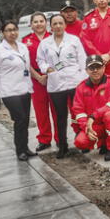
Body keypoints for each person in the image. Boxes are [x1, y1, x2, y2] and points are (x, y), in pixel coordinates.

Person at [37, 14, 87, 158]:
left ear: (65, 25)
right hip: (56, 84)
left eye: (60, 23)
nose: (58, 26)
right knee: (60, 116)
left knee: (78, 114)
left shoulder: (74, 40)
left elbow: (83, 60)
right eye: (55, 24)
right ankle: (63, 146)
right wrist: (47, 68)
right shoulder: (45, 43)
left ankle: (83, 142)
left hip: (74, 82)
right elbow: (40, 60)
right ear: (50, 27)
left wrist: (82, 80)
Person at [0, 21, 35, 161]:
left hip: (24, 88)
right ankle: (20, 151)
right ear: (3, 33)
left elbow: (27, 67)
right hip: (9, 91)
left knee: (25, 120)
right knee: (19, 118)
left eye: (14, 29)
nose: (12, 33)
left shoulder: (23, 47)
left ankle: (25, 147)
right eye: (8, 30)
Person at [72, 55, 110, 161]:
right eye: (91, 68)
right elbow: (78, 111)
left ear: (104, 68)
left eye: (98, 67)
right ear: (86, 70)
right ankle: (103, 143)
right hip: (94, 126)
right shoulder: (81, 87)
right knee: (80, 142)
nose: (95, 70)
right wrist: (87, 128)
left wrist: (94, 116)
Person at [21, 12, 57, 152]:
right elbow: (24, 62)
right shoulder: (25, 41)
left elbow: (62, 60)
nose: (38, 24)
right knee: (41, 111)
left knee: (57, 110)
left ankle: (60, 139)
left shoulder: (54, 38)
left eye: (41, 21)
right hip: (35, 79)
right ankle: (44, 139)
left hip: (54, 77)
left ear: (46, 23)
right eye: (35, 22)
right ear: (31, 25)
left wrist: (48, 74)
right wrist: (38, 77)